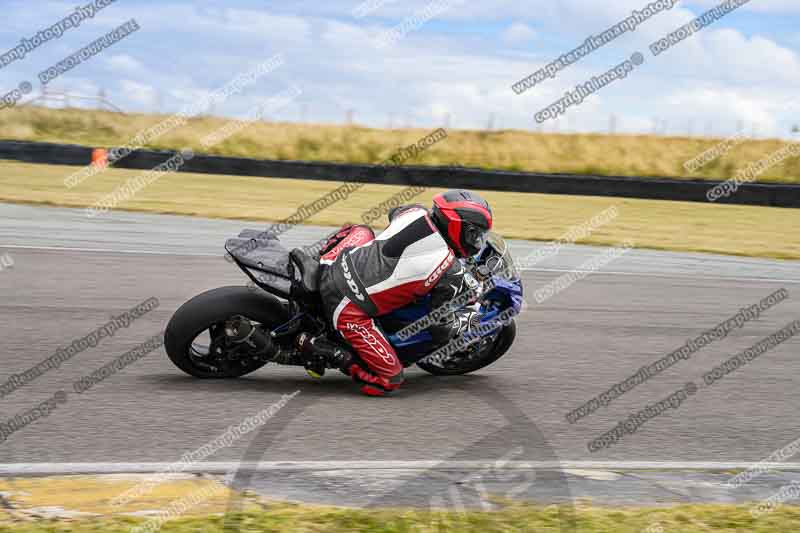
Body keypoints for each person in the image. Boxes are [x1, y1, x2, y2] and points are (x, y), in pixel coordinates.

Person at [298, 189, 493, 396]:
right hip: (347, 306)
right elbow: (440, 327)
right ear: (457, 226)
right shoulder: (449, 270)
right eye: (475, 234)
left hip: (334, 262)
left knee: (362, 231)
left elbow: (394, 211)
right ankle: (330, 352)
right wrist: (469, 320)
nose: (477, 241)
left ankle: (315, 258)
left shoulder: (416, 211)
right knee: (390, 379)